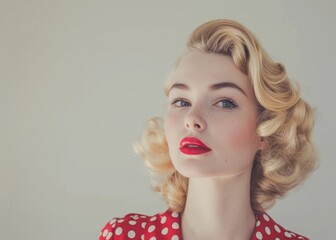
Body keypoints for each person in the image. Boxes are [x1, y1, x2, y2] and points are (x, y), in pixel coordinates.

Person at [99, 19, 318, 240]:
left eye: (224, 103)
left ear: (267, 130)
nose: (192, 119)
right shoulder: (123, 235)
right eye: (182, 101)